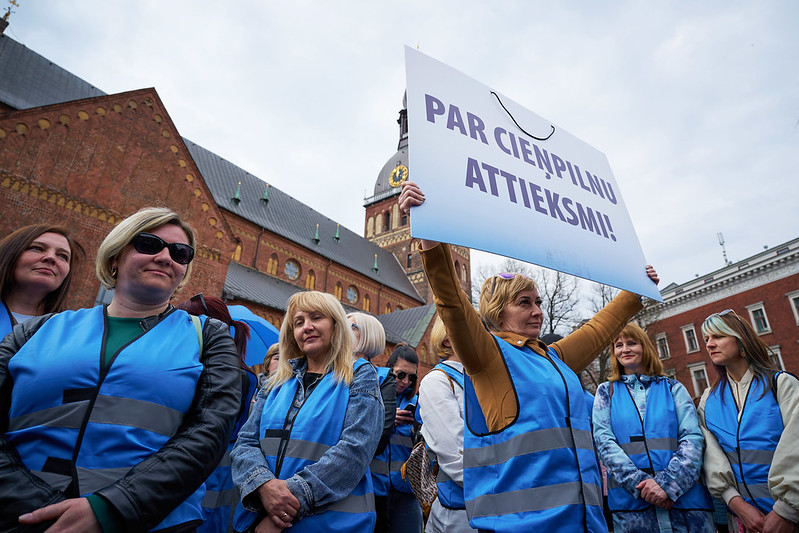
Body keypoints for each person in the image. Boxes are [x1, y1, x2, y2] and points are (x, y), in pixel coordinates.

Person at [399, 181, 659, 532]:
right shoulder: (488, 356)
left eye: (538, 302)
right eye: (524, 303)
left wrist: (634, 290)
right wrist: (430, 240)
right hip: (524, 524)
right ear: (496, 312)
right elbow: (452, 303)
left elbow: (599, 330)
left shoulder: (553, 358)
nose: (538, 311)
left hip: (585, 522)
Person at [0, 207, 242, 532]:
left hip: (149, 522)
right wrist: (33, 507)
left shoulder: (208, 336)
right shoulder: (35, 331)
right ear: (115, 256)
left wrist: (111, 508)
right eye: (149, 244)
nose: (166, 257)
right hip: (22, 519)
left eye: (180, 252)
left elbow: (209, 432)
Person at [231, 291, 384, 533]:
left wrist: (283, 508)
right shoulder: (276, 382)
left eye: (316, 318)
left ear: (336, 324)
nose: (307, 327)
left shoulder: (359, 375)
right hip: (257, 520)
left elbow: (355, 450)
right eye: (299, 322)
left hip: (328, 524)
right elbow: (245, 442)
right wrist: (264, 485)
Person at [592, 322, 714, 532]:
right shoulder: (606, 392)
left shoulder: (673, 388)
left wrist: (667, 485)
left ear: (645, 347)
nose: (625, 349)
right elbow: (604, 444)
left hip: (686, 508)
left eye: (632, 343)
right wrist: (642, 486)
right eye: (618, 345)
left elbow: (692, 439)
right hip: (634, 511)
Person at [697, 309, 799, 533]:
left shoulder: (780, 385)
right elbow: (712, 459)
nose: (709, 344)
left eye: (718, 336)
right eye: (706, 339)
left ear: (741, 340)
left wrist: (786, 512)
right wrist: (737, 504)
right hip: (742, 522)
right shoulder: (708, 401)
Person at [178, 294, 259, 533]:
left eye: (188, 324)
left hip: (209, 472)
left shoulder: (232, 376)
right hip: (210, 474)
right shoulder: (241, 373)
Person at [417, 316, 475, 532]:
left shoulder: (478, 379)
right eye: (472, 327)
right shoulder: (438, 381)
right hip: (460, 512)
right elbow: (455, 455)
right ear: (447, 341)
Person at [346, 311, 398, 533]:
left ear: (369, 336)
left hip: (370, 482)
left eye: (353, 327)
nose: (344, 330)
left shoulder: (383, 378)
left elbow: (382, 433)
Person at [0, 224, 83, 336]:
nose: (51, 257)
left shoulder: (71, 333)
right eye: (37, 248)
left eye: (63, 256)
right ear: (11, 254)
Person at [377, 344, 422, 533]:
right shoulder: (372, 394)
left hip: (405, 490)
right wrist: (385, 417)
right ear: (389, 368)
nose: (405, 382)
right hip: (374, 487)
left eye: (412, 377)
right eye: (400, 374)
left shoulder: (416, 403)